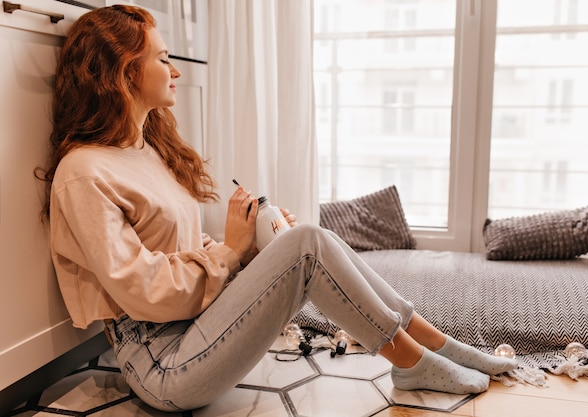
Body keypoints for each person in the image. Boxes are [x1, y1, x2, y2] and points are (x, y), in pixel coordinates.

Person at [39, 5, 517, 412]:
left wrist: (253, 247)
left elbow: (181, 252)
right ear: (125, 72)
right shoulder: (84, 171)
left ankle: (433, 345)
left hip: (195, 329)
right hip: (162, 364)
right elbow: (143, 291)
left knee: (303, 236)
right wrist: (231, 251)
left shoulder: (147, 150)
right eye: (164, 59)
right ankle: (412, 363)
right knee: (306, 243)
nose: (176, 70)